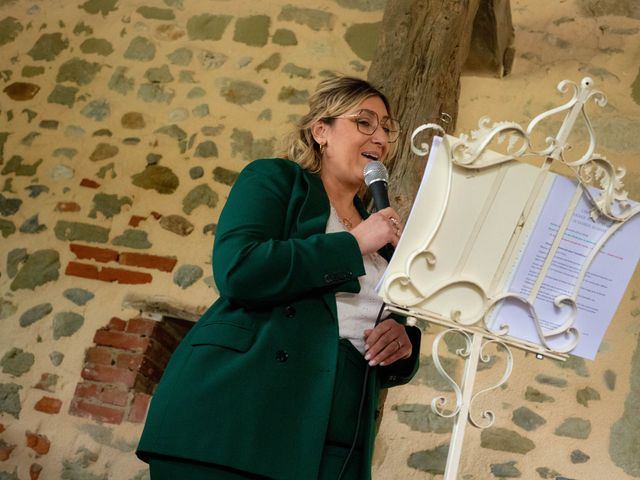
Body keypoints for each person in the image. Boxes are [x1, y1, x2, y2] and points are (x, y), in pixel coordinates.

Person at [136, 75, 421, 480]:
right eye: (364, 122)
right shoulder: (275, 180)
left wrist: (405, 342)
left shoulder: (385, 240)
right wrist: (351, 244)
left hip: (336, 432)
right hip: (241, 414)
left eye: (386, 128)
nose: (380, 137)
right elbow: (239, 270)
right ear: (321, 130)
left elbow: (378, 318)